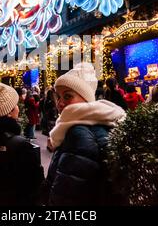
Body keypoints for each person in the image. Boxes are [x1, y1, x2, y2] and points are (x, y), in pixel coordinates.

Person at [45, 63, 126, 205]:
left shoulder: (77, 132)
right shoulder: (86, 124)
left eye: (67, 96)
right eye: (58, 97)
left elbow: (66, 195)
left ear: (86, 98)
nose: (60, 103)